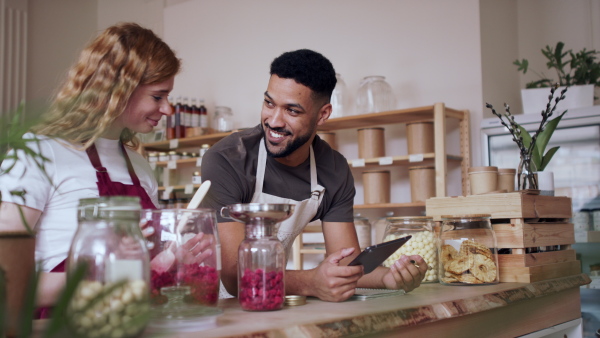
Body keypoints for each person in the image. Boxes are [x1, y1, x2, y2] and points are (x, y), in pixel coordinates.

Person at [200, 49, 428, 302]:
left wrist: (389, 279)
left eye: (292, 111)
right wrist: (311, 282)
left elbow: (347, 263)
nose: (274, 121)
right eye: (269, 103)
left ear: (323, 114)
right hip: (215, 306)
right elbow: (236, 278)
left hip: (271, 298)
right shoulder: (227, 160)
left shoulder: (333, 170)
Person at [0, 22, 181, 308]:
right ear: (119, 89)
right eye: (158, 96)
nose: (167, 109)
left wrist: (173, 261)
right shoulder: (40, 152)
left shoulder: (140, 168)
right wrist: (92, 270)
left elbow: (138, 279)